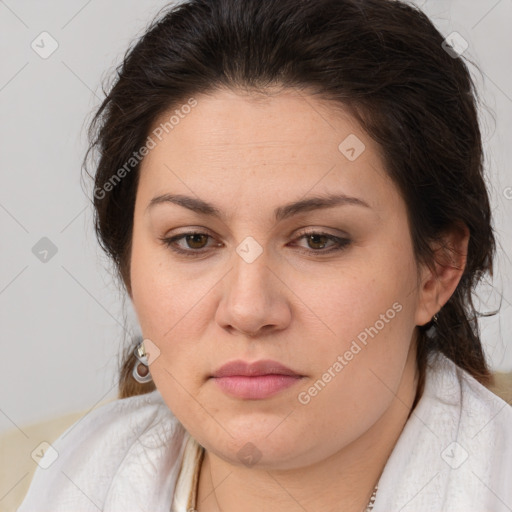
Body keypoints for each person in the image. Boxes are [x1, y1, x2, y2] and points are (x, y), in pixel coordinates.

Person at [17, 0, 512, 510]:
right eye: (193, 240)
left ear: (436, 268)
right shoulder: (46, 482)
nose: (248, 310)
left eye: (318, 240)